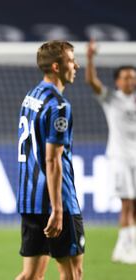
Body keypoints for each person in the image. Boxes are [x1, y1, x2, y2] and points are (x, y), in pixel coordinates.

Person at [16, 41, 84, 280]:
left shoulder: (31, 97)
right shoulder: (59, 106)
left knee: (30, 275)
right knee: (72, 273)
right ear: (56, 66)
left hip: (29, 199)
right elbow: (53, 161)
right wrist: (57, 210)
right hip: (57, 201)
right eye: (71, 60)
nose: (76, 65)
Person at [86, 39, 136, 264]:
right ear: (117, 81)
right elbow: (92, 81)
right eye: (126, 77)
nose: (130, 81)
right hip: (120, 158)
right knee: (127, 203)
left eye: (133, 77)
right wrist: (90, 57)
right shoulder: (111, 98)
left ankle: (121, 248)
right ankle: (128, 249)